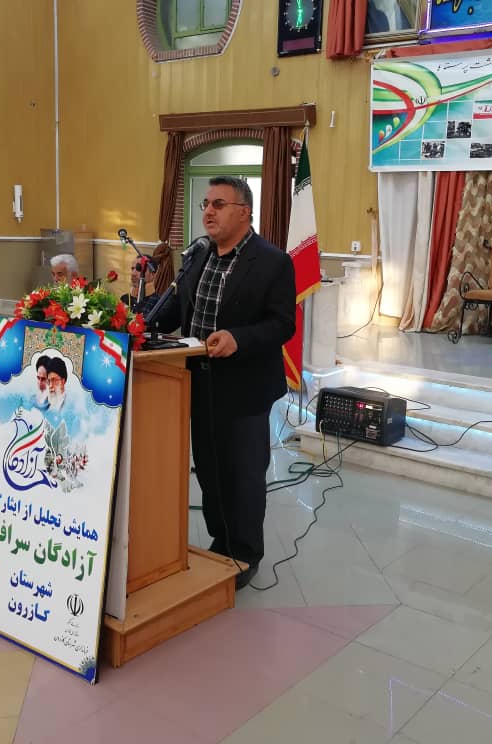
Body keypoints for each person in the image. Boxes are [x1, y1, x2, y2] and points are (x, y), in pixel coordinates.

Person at [155, 176, 295, 589]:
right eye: (206, 204)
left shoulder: (272, 261)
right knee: (210, 471)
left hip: (245, 388)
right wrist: (137, 318)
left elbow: (282, 324)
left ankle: (245, 553)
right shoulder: (198, 254)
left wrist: (239, 338)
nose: (209, 212)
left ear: (244, 212)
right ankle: (221, 540)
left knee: (243, 474)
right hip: (197, 382)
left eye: (219, 204)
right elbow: (174, 310)